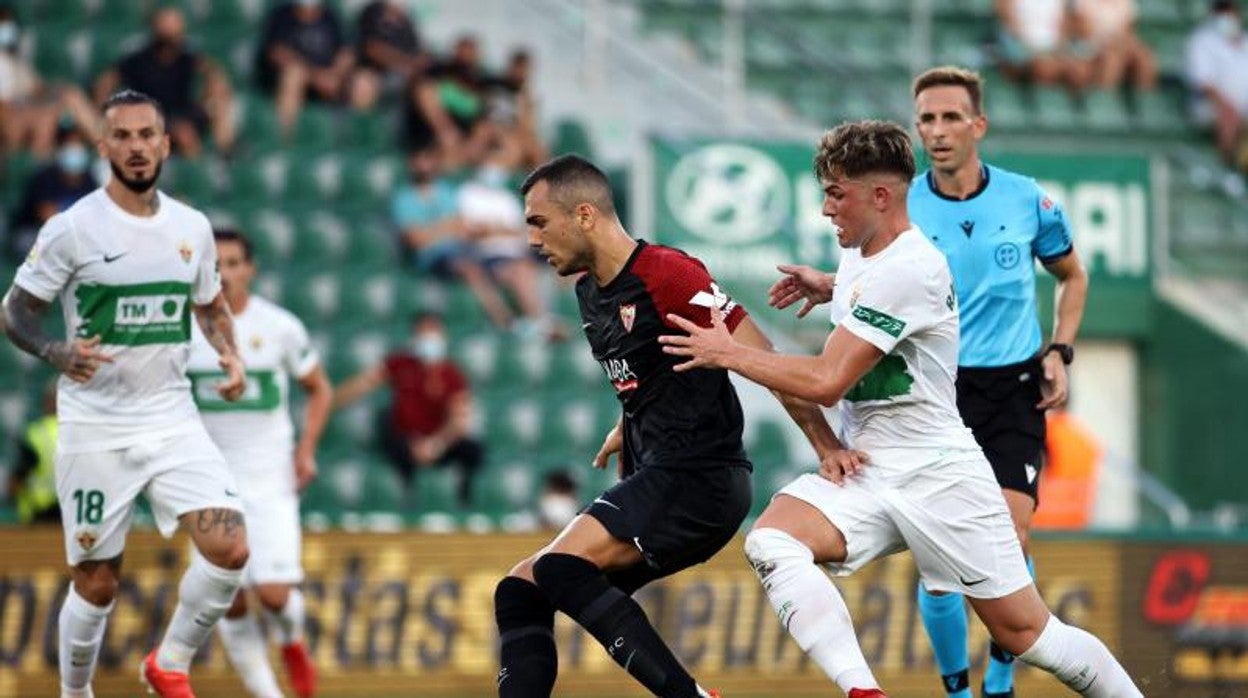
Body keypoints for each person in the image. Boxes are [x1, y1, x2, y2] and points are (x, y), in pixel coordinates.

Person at [663, 120, 1138, 697]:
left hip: (940, 473)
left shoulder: (912, 266)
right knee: (773, 540)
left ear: (880, 196)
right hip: (869, 466)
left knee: (1027, 636)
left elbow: (826, 380)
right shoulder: (866, 257)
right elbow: (875, 298)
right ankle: (865, 693)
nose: (825, 209)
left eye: (837, 194)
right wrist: (832, 286)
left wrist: (727, 353)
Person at [770, 68, 1092, 698]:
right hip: (936, 388)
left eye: (950, 118)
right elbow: (901, 292)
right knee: (938, 565)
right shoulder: (900, 205)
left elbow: (1072, 275)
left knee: (1012, 529)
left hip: (1009, 384)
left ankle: (1000, 682)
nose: (938, 131)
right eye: (926, 119)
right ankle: (956, 689)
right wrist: (831, 285)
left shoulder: (1029, 200)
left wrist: (1061, 348)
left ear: (979, 125)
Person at [495, 154, 843, 698]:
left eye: (539, 222)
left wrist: (825, 444)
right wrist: (626, 417)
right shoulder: (590, 290)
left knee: (560, 567)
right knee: (520, 590)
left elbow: (763, 358)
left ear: (584, 214)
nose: (533, 240)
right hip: (662, 473)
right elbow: (647, 367)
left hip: (699, 478)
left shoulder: (668, 274)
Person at [0, 89, 251, 697]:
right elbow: (15, 314)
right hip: (95, 428)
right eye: (124, 136)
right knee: (97, 583)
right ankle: (75, 692)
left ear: (165, 143)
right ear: (103, 145)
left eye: (147, 135)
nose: (137, 148)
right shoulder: (72, 229)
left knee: (230, 547)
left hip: (172, 418)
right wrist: (57, 352)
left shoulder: (191, 228)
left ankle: (169, 662)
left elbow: (210, 303)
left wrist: (229, 351)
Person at [186, 228, 332, 698]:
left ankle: (291, 641)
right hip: (208, 479)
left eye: (233, 263)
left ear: (250, 269)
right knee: (225, 598)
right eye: (216, 265)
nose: (224, 274)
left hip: (270, 476)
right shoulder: (186, 331)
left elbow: (319, 388)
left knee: (273, 595)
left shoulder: (279, 327)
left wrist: (306, 448)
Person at [333, 312, 484, 507]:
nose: (429, 338)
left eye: (434, 332)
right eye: (424, 333)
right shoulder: (400, 363)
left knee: (474, 451)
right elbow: (363, 383)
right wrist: (330, 402)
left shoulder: (453, 374)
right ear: (414, 337)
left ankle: (465, 503)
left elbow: (460, 420)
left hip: (440, 440)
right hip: (404, 439)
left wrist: (437, 444)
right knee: (395, 443)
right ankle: (404, 504)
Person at [391, 146, 514, 330]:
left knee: (507, 267)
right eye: (419, 159)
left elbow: (461, 227)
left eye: (428, 159)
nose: (424, 165)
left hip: (459, 250)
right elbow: (415, 241)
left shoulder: (446, 192)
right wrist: (447, 227)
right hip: (432, 258)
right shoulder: (403, 199)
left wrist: (433, 231)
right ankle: (503, 320)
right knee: (468, 268)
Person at [94, 6, 237, 158]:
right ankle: (199, 170)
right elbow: (105, 82)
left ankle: (225, 156)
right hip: (150, 118)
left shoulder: (186, 58)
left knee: (217, 106)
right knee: (184, 134)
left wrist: (212, 86)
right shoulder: (139, 60)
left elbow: (213, 73)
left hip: (183, 114)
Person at [256, 0, 379, 137]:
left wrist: (334, 74)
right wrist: (315, 77)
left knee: (365, 80)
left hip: (329, 79)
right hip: (298, 80)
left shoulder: (331, 16)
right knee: (294, 75)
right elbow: (277, 53)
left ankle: (352, 139)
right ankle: (284, 140)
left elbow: (346, 53)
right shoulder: (281, 16)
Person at [0, 6, 99, 156]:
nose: (6, 31)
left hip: (28, 106)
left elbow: (37, 88)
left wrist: (56, 90)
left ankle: (103, 143)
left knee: (70, 94)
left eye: (8, 26)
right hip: (13, 118)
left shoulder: (14, 59)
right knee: (46, 118)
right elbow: (5, 108)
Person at [7, 125, 98, 262]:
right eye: (70, 146)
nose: (75, 150)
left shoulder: (89, 179)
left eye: (79, 146)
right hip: (35, 233)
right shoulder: (45, 177)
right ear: (60, 149)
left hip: (74, 236)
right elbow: (49, 218)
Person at [1186, 0, 1248, 169]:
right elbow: (1204, 83)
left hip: (1242, 104)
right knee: (1228, 116)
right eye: (1221, 12)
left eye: (1229, 12)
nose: (1226, 17)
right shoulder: (1202, 41)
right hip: (1210, 104)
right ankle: (1228, 169)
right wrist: (1228, 106)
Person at [995, 0, 1092, 92]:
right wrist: (1034, 51)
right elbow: (1010, 24)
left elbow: (1064, 31)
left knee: (1080, 71)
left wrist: (1060, 52)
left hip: (1052, 50)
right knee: (1046, 69)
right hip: (1022, 46)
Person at [1071, 0, 1157, 92]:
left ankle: (1145, 99)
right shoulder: (1083, 2)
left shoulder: (1126, 3)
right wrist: (1110, 42)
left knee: (1144, 56)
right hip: (1092, 47)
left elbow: (1129, 32)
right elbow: (1084, 33)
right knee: (1113, 58)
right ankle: (1104, 97)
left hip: (1120, 45)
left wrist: (1120, 42)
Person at [8, 381, 59, 525]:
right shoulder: (82, 435)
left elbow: (19, 476)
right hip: (74, 514)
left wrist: (11, 496)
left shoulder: (36, 434)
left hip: (39, 513)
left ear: (48, 402)